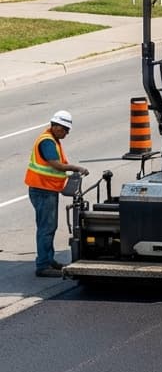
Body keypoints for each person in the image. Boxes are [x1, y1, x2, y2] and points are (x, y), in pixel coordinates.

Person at [25, 110, 88, 277]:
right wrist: (76, 168)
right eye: (64, 129)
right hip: (42, 190)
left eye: (68, 130)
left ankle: (48, 259)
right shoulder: (47, 142)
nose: (66, 133)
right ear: (55, 126)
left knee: (49, 227)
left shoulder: (51, 138)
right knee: (46, 228)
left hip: (47, 189)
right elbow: (55, 165)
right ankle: (43, 265)